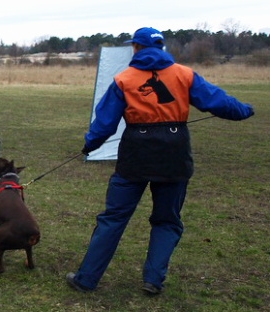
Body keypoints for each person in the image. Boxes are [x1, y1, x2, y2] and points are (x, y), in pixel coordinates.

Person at [66, 27, 254, 294]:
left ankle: (86, 280)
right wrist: (245, 110)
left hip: (135, 155)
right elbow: (218, 101)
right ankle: (153, 280)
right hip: (174, 154)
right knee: (166, 220)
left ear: (136, 48)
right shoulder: (184, 74)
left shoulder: (124, 79)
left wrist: (89, 145)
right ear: (161, 47)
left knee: (113, 218)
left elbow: (105, 123)